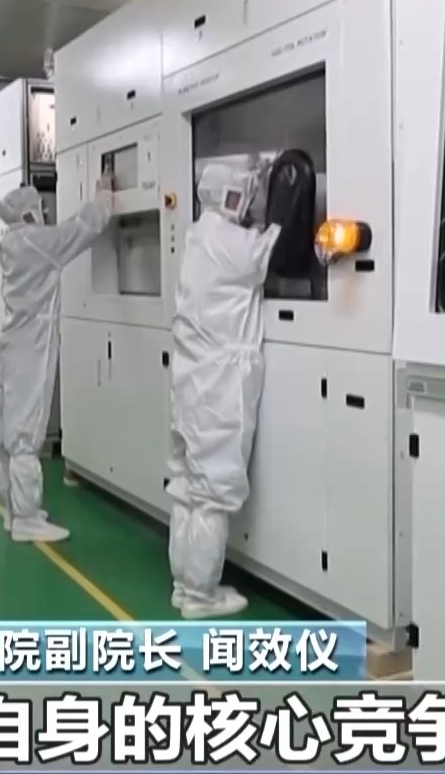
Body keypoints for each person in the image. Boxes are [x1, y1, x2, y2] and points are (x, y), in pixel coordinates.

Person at [166, 162, 282, 619]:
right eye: (245, 193)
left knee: (187, 487)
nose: (248, 201)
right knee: (214, 491)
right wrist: (280, 203)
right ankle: (201, 595)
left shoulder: (198, 234)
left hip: (190, 384)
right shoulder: (231, 242)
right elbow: (275, 248)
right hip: (219, 389)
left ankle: (184, 584)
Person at [0, 175, 113, 543]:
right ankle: (27, 519)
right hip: (31, 346)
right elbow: (82, 228)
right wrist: (104, 195)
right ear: (30, 213)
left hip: (10, 343)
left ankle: (13, 510)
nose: (43, 213)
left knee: (5, 431)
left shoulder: (11, 241)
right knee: (25, 433)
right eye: (39, 209)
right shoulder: (37, 242)